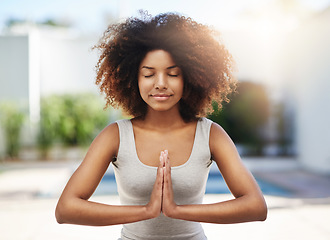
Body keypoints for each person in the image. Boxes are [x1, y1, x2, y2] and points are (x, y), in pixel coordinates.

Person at [55, 11, 267, 240]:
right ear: (133, 79)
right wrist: (146, 211)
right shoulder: (116, 136)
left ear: (190, 78)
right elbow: (66, 209)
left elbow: (256, 206)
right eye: (149, 74)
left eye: (172, 73)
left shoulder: (210, 134)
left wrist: (178, 211)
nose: (161, 84)